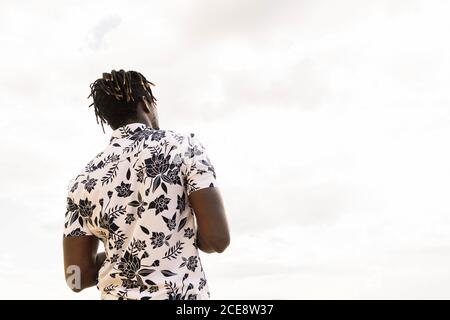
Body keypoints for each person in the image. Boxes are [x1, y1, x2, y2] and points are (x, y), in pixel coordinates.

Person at [63, 69, 230, 300]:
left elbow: (76, 278)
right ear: (146, 104)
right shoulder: (184, 147)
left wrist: (121, 254)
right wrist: (172, 239)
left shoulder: (82, 181)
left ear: (107, 118)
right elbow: (217, 239)